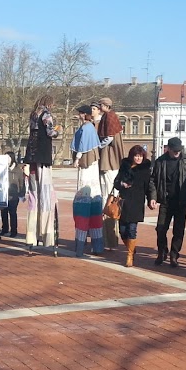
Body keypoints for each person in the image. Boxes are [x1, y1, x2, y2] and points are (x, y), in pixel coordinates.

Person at [148, 136, 186, 267]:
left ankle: (174, 254)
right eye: (174, 150)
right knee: (160, 228)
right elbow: (152, 180)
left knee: (179, 230)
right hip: (166, 200)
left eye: (178, 150)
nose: (177, 152)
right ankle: (162, 251)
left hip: (182, 201)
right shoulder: (160, 161)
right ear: (168, 149)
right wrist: (153, 197)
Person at [24, 95, 61, 252]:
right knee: (45, 195)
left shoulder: (33, 114)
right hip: (43, 157)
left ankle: (31, 236)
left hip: (31, 157)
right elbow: (50, 132)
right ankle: (46, 234)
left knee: (34, 196)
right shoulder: (46, 114)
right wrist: (58, 131)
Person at [71, 105, 104, 257]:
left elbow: (83, 145)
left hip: (86, 164)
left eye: (80, 113)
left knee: (83, 201)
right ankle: (98, 245)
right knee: (95, 207)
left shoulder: (86, 128)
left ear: (84, 114)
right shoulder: (91, 127)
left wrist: (77, 159)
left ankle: (80, 245)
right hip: (93, 164)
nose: (79, 115)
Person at [114, 145, 150, 267]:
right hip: (124, 202)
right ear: (132, 156)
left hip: (137, 203)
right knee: (122, 230)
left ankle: (129, 256)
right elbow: (116, 183)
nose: (138, 158)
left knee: (132, 230)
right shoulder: (125, 166)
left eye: (140, 156)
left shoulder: (145, 170)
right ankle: (131, 248)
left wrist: (152, 199)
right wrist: (122, 184)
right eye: (136, 156)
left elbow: (149, 186)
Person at [98, 97, 125, 250]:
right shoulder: (112, 116)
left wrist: (99, 146)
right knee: (111, 196)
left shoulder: (109, 116)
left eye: (100, 104)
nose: (99, 107)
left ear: (105, 105)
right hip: (113, 161)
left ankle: (109, 239)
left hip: (110, 160)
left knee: (108, 197)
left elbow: (109, 137)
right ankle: (110, 239)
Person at [0, 151, 23, 237]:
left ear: (12, 158)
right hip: (3, 194)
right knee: (3, 212)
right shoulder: (2, 168)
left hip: (13, 195)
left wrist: (21, 193)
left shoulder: (17, 170)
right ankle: (4, 229)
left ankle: (14, 230)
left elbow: (21, 183)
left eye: (8, 157)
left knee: (12, 213)